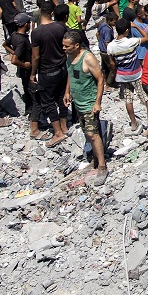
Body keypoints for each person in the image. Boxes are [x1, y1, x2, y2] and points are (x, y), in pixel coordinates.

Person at [64, 30, 107, 183]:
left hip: (89, 103)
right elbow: (71, 73)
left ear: (76, 45)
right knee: (88, 133)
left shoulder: (88, 58)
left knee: (93, 134)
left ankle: (102, 166)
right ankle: (95, 160)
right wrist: (67, 91)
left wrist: (97, 102)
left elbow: (100, 80)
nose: (64, 48)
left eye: (67, 46)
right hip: (78, 102)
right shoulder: (70, 57)